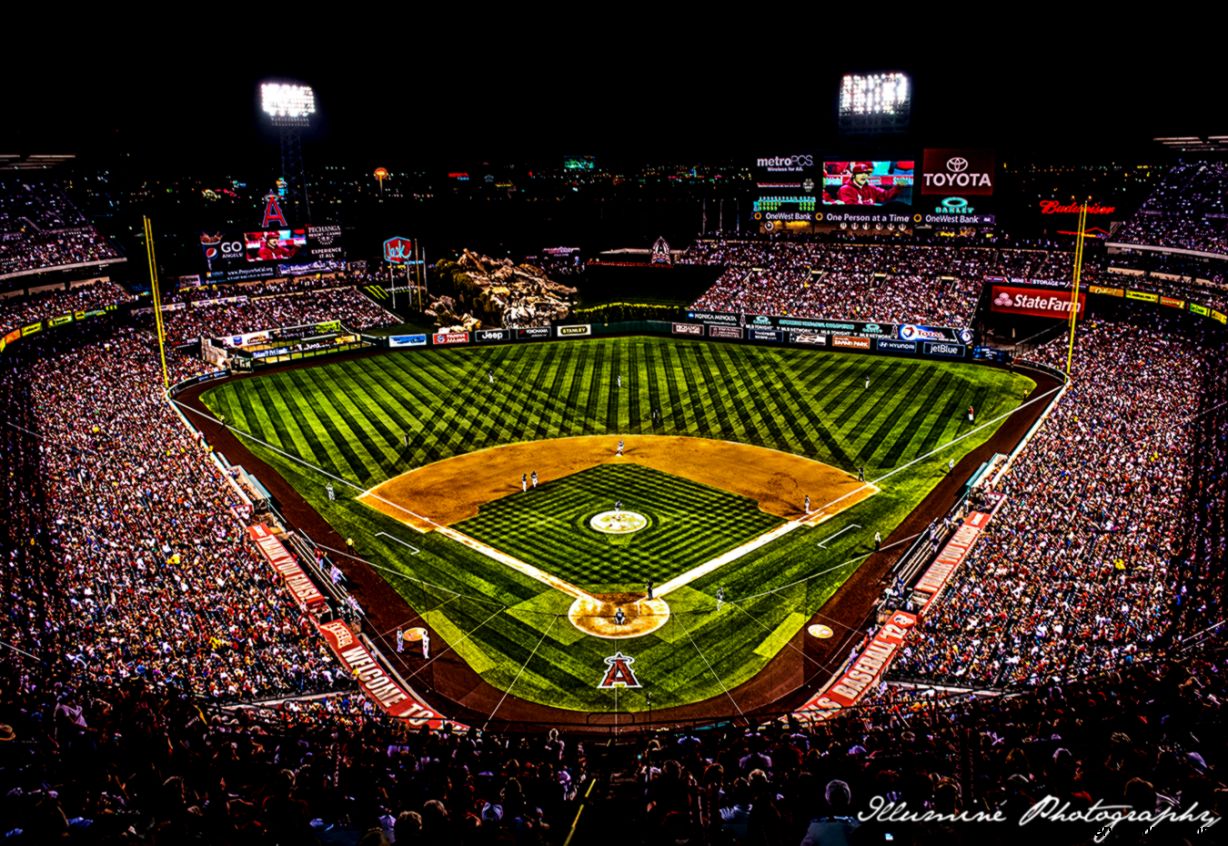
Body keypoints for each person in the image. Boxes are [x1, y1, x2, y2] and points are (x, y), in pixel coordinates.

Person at [836, 164, 901, 205]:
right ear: (853, 175)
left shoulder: (871, 187)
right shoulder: (845, 189)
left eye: (866, 173)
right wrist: (868, 203)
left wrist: (898, 186)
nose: (864, 176)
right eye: (860, 173)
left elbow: (885, 195)